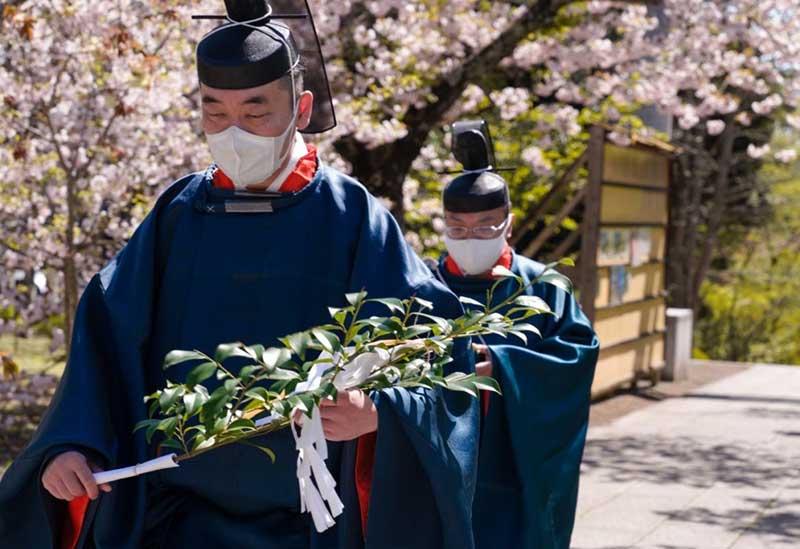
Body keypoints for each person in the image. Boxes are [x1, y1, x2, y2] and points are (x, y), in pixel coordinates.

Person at [0, 2, 478, 548]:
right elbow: (108, 338)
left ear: (301, 108)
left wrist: (381, 412)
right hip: (176, 517)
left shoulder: (351, 216)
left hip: (315, 520)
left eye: (255, 114)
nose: (233, 132)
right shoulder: (179, 213)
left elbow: (436, 347)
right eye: (215, 112)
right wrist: (72, 442)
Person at [429, 120, 599, 549]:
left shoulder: (543, 286)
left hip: (515, 456)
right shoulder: (423, 285)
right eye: (458, 227)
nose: (471, 237)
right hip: (438, 456)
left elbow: (577, 358)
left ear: (509, 223)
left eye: (486, 226)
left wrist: (504, 366)